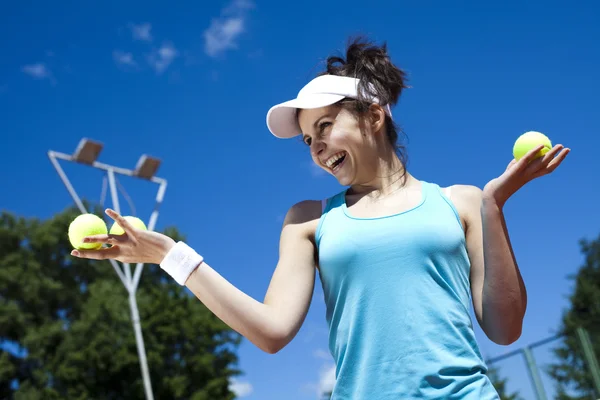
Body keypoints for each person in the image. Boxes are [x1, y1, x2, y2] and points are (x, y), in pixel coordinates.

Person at [71, 37, 570, 399]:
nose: (316, 148)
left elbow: (505, 330)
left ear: (375, 117)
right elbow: (271, 332)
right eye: (309, 139)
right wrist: (169, 256)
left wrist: (493, 207)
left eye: (326, 126)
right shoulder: (307, 221)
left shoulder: (462, 202)